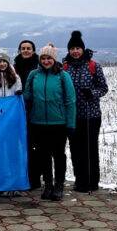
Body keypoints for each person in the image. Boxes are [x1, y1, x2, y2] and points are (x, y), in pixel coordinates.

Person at [23, 43, 76, 201]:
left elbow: (70, 100)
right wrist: (19, 95)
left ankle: (59, 185)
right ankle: (47, 184)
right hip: (38, 122)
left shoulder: (62, 76)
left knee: (58, 155)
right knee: (43, 155)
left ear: (54, 59)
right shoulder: (34, 75)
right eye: (43, 58)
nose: (46, 61)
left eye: (49, 58)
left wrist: (70, 124)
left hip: (58, 123)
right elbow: (27, 95)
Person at [63, 31, 109, 192]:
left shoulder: (93, 65)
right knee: (76, 150)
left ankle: (92, 181)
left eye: (78, 48)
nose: (75, 51)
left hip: (91, 115)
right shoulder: (65, 67)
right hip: (72, 116)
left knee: (90, 149)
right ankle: (80, 180)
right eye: (72, 49)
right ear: (68, 51)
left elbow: (103, 88)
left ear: (82, 49)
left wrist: (92, 93)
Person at [14, 40, 41, 189]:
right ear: (19, 50)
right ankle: (22, 176)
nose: (26, 51)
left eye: (28, 48)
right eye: (23, 48)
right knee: (22, 145)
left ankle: (35, 177)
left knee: (35, 145)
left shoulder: (39, 65)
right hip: (18, 110)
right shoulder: (14, 67)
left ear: (33, 50)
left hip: (36, 110)